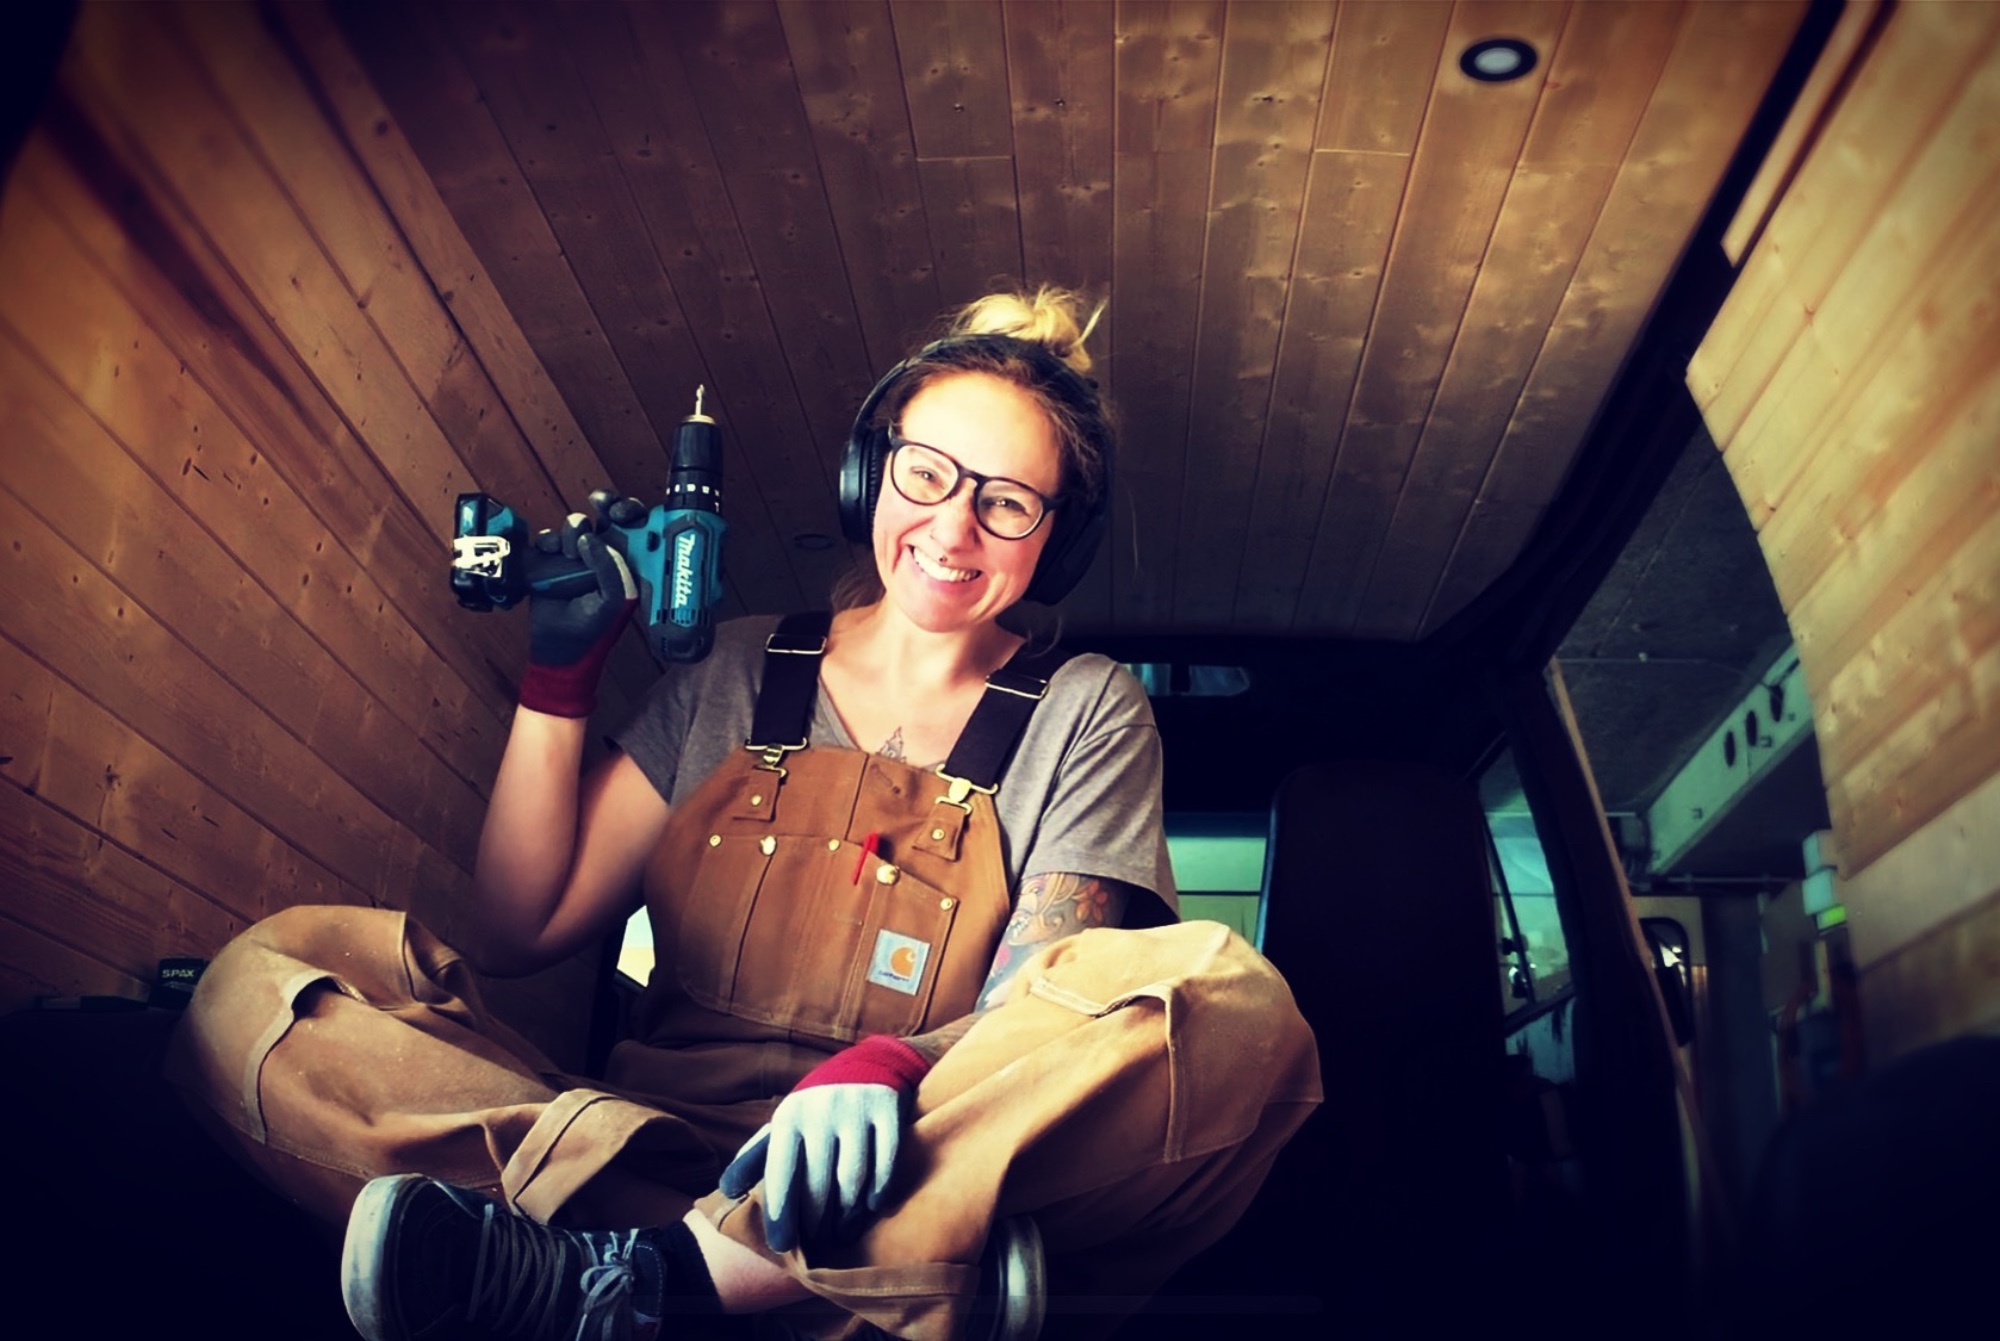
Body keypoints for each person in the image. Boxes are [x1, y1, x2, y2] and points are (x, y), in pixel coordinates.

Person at [169, 287, 1321, 1341]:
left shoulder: (1084, 708)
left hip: (907, 1154)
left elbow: (1042, 998)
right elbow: (521, 928)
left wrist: (884, 1066)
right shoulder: (734, 667)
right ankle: (784, 1276)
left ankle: (620, 1281)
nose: (953, 529)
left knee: (1227, 1005)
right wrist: (558, 679)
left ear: (1054, 540)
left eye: (1007, 502)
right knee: (263, 991)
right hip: (635, 1140)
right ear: (870, 475)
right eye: (927, 474)